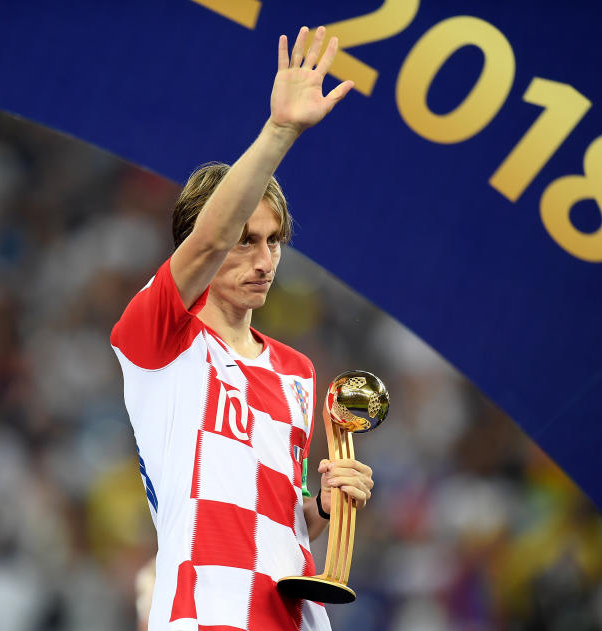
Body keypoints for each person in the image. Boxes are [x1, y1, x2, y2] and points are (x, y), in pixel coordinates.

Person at [111, 26, 374, 630]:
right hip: (206, 611)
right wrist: (280, 131)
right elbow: (206, 241)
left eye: (274, 241)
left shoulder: (298, 372)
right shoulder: (159, 338)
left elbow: (274, 517)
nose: (263, 260)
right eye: (245, 240)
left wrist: (322, 507)